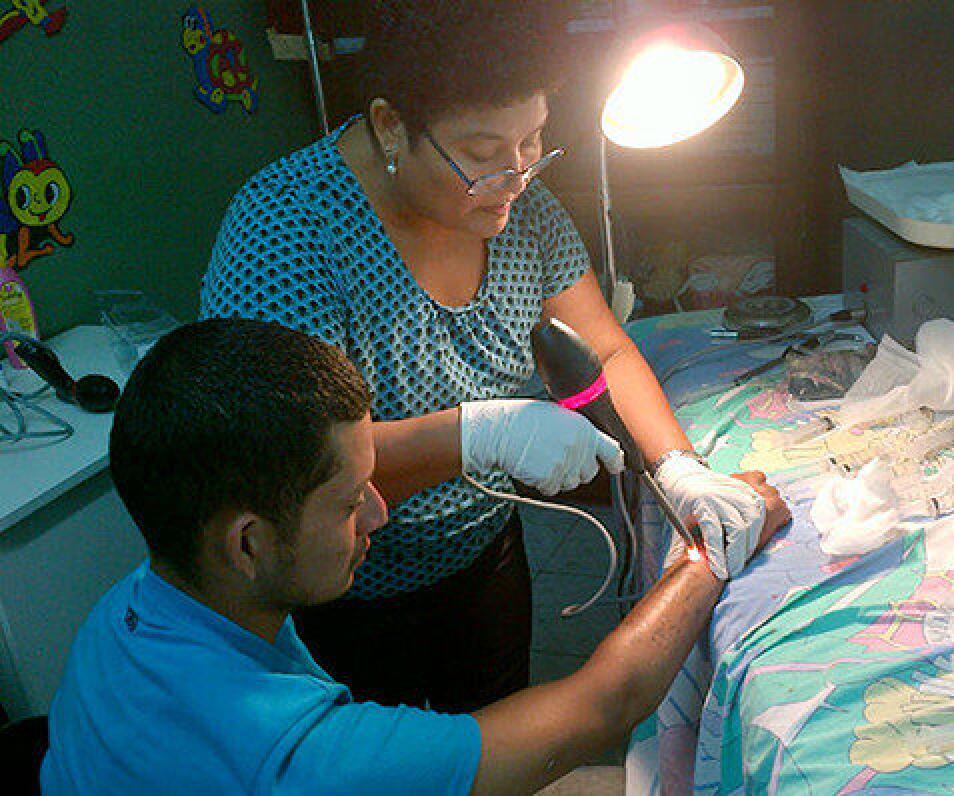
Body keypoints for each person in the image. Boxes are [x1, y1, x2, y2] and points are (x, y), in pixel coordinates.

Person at [199, 0, 772, 712]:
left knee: (496, 730)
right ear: (389, 127)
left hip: (483, 558)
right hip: (336, 595)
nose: (515, 176)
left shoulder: (519, 211)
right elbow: (295, 465)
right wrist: (479, 435)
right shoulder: (286, 234)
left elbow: (606, 344)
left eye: (532, 140)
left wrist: (678, 467)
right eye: (479, 154)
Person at [41, 319, 790, 794]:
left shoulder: (127, 616)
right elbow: (602, 707)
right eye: (348, 500)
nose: (379, 511)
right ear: (248, 542)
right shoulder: (291, 757)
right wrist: (709, 552)